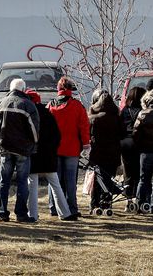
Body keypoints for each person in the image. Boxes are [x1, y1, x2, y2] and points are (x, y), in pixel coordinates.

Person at [25, 89, 74, 221]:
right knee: (55, 184)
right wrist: (52, 150)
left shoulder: (27, 114)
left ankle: (32, 215)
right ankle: (65, 213)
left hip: (33, 155)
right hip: (48, 156)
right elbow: (57, 136)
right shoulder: (48, 114)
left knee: (32, 185)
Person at [0, 78, 40, 223]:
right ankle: (21, 214)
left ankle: (2, 213)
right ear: (24, 89)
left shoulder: (0, 103)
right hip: (22, 148)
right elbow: (34, 129)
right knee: (22, 181)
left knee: (4, 181)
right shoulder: (28, 105)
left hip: (5, 146)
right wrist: (34, 143)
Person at [48, 76, 90, 218]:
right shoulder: (77, 106)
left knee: (54, 180)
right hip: (72, 149)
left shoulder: (50, 105)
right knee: (70, 181)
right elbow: (84, 126)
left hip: (54, 149)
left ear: (58, 89)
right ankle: (72, 208)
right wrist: (86, 144)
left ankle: (54, 207)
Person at [87, 89, 123, 213]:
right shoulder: (117, 118)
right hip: (113, 153)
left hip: (97, 153)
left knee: (97, 179)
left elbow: (88, 135)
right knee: (109, 179)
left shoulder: (93, 118)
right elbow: (121, 135)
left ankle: (94, 204)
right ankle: (107, 203)